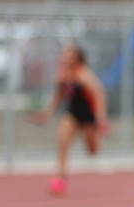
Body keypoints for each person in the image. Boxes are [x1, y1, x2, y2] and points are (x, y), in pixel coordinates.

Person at [29, 43, 108, 196]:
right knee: (62, 144)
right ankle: (60, 179)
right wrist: (46, 113)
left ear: (77, 57)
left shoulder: (84, 74)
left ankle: (95, 138)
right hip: (72, 113)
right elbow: (57, 97)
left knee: (93, 151)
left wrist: (101, 118)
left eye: (68, 54)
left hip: (89, 116)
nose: (63, 57)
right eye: (63, 54)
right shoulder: (61, 75)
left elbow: (99, 95)